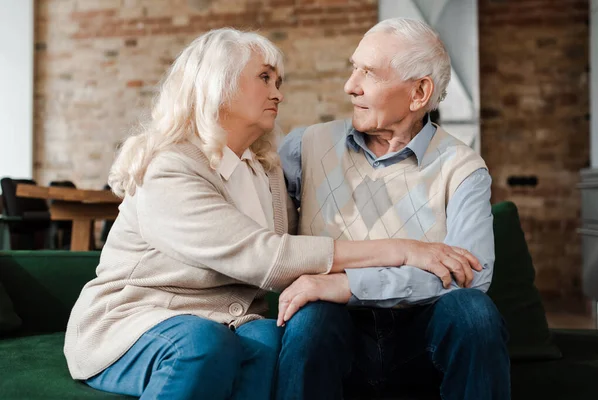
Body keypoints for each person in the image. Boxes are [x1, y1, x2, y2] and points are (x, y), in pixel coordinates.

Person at [63, 28, 479, 400]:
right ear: (219, 85)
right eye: (264, 78)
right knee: (201, 343)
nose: (278, 92)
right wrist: (403, 250)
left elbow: (311, 239)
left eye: (278, 81)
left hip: (227, 323)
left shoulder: (267, 170)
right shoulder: (171, 167)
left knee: (268, 336)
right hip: (137, 319)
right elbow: (267, 257)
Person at [277, 18, 510, 400]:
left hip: (421, 340)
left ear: (419, 93)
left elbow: (471, 277)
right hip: (337, 336)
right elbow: (263, 240)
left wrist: (347, 284)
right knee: (312, 317)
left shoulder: (463, 168)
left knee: (472, 312)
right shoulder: (305, 147)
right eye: (354, 68)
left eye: (369, 73)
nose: (350, 86)